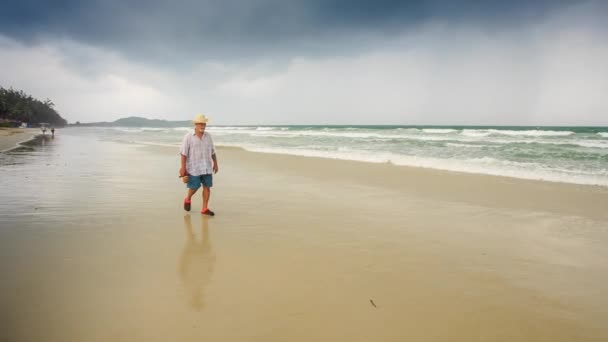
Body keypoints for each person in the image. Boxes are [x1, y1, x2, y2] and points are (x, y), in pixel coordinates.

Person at [179, 114, 219, 215]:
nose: (203, 125)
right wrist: (183, 168)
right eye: (200, 123)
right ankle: (188, 199)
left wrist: (215, 163)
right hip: (193, 167)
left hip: (207, 167)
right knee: (194, 187)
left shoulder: (208, 136)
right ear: (196, 125)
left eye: (204, 123)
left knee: (207, 187)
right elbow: (183, 153)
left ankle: (204, 209)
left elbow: (213, 151)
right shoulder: (188, 137)